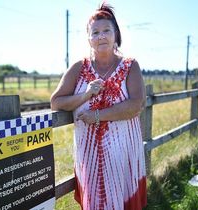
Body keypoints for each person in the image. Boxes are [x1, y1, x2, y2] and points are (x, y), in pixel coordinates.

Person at [51, 3, 147, 210]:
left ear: (116, 34)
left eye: (106, 31)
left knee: (121, 200)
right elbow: (56, 102)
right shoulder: (79, 67)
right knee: (95, 200)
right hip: (89, 152)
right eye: (95, 32)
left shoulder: (130, 66)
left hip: (124, 150)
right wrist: (86, 95)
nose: (101, 36)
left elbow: (135, 105)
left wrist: (97, 115)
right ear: (88, 38)